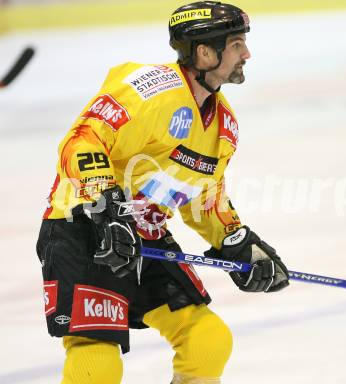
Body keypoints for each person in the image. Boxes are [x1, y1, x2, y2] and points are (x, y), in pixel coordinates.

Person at [36, 2, 290, 383]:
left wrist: (238, 241)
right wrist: (106, 206)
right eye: (237, 44)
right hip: (84, 227)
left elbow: (204, 197)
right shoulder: (150, 90)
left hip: (144, 237)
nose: (247, 54)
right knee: (96, 360)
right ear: (205, 52)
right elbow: (82, 140)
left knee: (207, 339)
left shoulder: (223, 125)